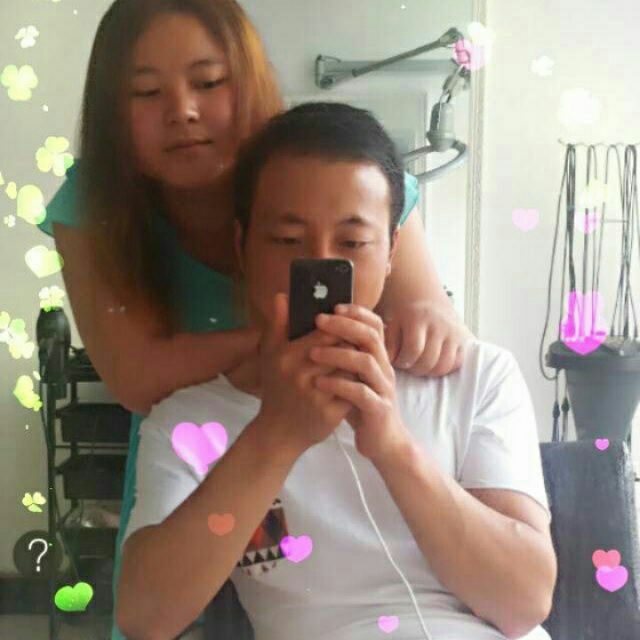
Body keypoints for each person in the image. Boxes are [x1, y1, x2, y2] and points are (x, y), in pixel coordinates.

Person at [37, 2, 473, 638]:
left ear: (248, 81)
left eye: (209, 82)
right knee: (169, 610)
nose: (183, 110)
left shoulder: (320, 170)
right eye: (147, 92)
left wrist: (432, 322)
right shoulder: (92, 204)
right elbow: (135, 377)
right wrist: (284, 341)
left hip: (338, 457)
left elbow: (427, 314)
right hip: (199, 458)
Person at [115, 102, 557, 640]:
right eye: (287, 240)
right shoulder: (192, 423)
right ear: (242, 247)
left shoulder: (473, 376)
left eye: (352, 243)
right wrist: (276, 435)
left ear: (392, 250)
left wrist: (393, 447)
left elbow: (525, 602)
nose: (320, 266)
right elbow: (145, 617)